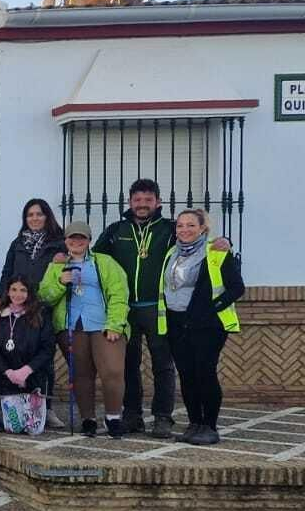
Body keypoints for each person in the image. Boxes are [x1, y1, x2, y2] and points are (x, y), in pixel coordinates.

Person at [94, 179, 176, 437]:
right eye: (137, 200)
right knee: (128, 364)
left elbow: (198, 241)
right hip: (124, 309)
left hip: (158, 308)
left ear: (158, 202)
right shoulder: (116, 230)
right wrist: (63, 257)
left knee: (162, 364)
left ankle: (163, 417)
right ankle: (132, 415)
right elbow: (93, 258)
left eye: (148, 200)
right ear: (130, 202)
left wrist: (224, 241)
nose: (142, 205)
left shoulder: (171, 229)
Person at [158, 208, 243, 445]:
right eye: (180, 226)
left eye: (191, 225)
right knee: (186, 375)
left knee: (204, 373)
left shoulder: (216, 252)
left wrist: (211, 307)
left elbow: (237, 288)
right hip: (177, 324)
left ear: (203, 228)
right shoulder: (172, 253)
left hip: (207, 326)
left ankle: (209, 426)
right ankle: (194, 423)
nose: (184, 230)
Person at [40, 221, 129, 437]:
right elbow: (44, 296)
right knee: (81, 375)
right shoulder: (57, 265)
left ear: (89, 240)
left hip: (104, 325)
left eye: (82, 238)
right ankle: (87, 418)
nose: (76, 241)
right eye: (72, 238)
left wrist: (115, 324)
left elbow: (119, 293)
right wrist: (60, 281)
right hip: (72, 326)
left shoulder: (105, 262)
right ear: (66, 240)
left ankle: (113, 417)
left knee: (113, 371)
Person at [0, 276, 55, 429]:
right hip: (8, 381)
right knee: (14, 428)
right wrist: (8, 372)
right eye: (14, 289)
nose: (18, 294)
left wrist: (26, 371)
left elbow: (48, 348)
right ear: (7, 291)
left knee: (33, 429)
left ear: (30, 292)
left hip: (34, 380)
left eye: (23, 290)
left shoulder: (41, 314)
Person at [0, 197, 65, 297]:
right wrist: (1, 298)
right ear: (25, 219)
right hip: (20, 303)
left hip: (48, 302)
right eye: (30, 215)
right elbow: (7, 273)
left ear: (47, 217)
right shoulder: (17, 243)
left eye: (39, 214)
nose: (34, 218)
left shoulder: (60, 242)